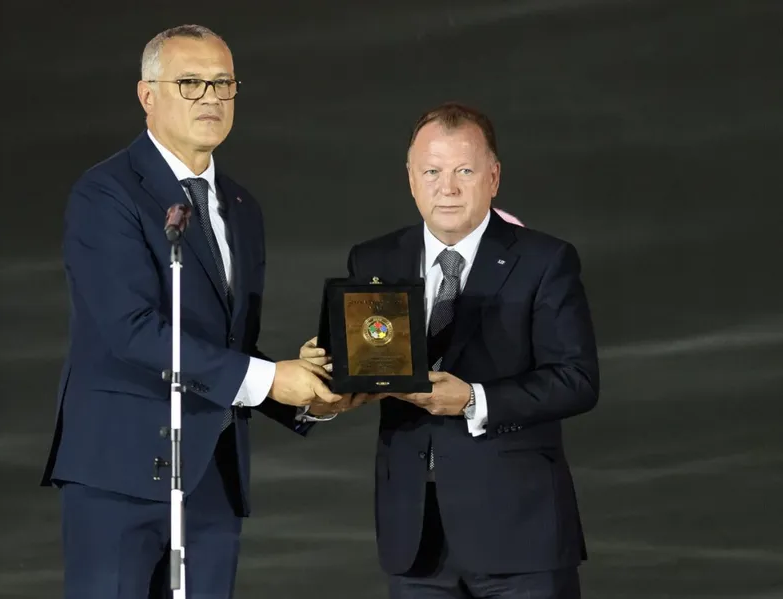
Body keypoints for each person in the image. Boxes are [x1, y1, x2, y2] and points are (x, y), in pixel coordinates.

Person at [40, 24, 340, 599]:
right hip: (120, 476)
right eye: (191, 83)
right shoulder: (107, 193)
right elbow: (132, 331)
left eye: (224, 83)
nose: (211, 98)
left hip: (212, 479)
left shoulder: (242, 207)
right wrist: (270, 379)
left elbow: (227, 348)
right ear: (147, 95)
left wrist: (308, 395)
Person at [302, 102, 599, 598]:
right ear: (411, 179)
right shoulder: (374, 258)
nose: (448, 188)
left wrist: (473, 400)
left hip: (519, 533)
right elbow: (363, 365)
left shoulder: (544, 260)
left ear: (493, 177)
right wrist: (326, 377)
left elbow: (577, 380)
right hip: (415, 536)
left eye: (465, 171)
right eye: (432, 172)